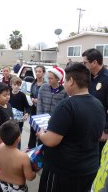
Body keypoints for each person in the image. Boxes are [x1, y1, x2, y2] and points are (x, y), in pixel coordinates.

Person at [36, 63, 106, 192]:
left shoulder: (66, 105)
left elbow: (51, 140)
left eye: (66, 81)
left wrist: (41, 134)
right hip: (89, 169)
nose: (64, 84)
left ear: (72, 81)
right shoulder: (98, 104)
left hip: (64, 172)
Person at [82, 48, 108, 160]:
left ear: (94, 62)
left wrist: (106, 130)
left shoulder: (106, 79)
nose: (83, 65)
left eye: (85, 63)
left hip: (101, 130)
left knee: (97, 161)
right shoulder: (90, 78)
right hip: (89, 127)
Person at [0, 119, 36, 192]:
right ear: (18, 138)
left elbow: (10, 157)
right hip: (17, 188)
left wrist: (21, 153)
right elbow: (30, 177)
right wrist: (35, 171)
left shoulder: (0, 147)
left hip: (2, 185)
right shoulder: (23, 157)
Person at [27, 65, 46, 149]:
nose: (37, 73)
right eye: (36, 71)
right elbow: (30, 94)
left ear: (43, 73)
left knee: (41, 130)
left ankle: (40, 148)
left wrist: (38, 100)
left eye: (40, 71)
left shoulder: (46, 85)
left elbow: (46, 98)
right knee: (32, 129)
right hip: (34, 109)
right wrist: (32, 99)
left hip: (42, 110)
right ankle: (31, 147)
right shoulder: (33, 83)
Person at [9, 76, 30, 149]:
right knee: (9, 138)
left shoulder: (22, 95)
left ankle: (17, 153)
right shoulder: (8, 94)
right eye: (14, 85)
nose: (16, 87)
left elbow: (27, 106)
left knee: (17, 138)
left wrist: (26, 113)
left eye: (18, 85)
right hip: (9, 121)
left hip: (19, 122)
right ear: (11, 84)